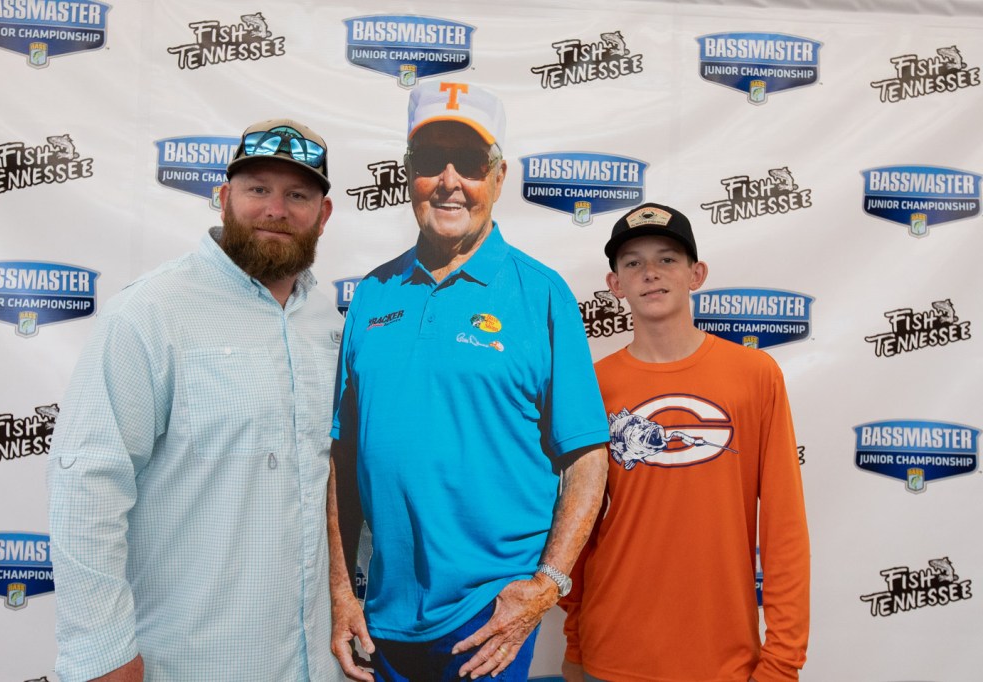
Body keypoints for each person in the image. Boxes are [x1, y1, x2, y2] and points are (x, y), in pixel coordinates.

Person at [327, 81, 610, 682]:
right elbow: (342, 460)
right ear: (409, 175)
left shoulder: (542, 293)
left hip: (490, 621)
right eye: (432, 161)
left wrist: (546, 585)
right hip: (383, 620)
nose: (450, 181)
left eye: (471, 163)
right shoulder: (372, 294)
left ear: (499, 177)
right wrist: (342, 594)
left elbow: (587, 456)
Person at [47, 119, 345, 681]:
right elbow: (87, 484)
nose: (275, 210)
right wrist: (102, 653)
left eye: (297, 195)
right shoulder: (151, 311)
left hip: (316, 661)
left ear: (323, 214)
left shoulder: (330, 325)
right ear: (224, 197)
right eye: (258, 189)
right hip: (188, 661)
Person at [560, 202, 810, 682]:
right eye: (633, 262)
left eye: (667, 259)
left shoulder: (754, 375)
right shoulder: (594, 387)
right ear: (615, 284)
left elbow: (784, 528)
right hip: (611, 651)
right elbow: (580, 527)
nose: (650, 273)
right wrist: (575, 639)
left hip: (722, 658)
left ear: (697, 274)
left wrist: (783, 661)